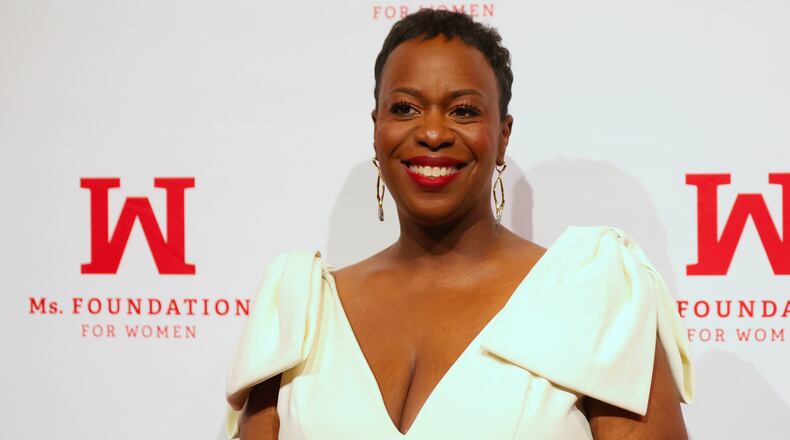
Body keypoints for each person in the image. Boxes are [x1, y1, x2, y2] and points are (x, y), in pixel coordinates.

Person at [223, 9, 694, 440]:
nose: (431, 133)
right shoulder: (300, 310)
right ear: (375, 128)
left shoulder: (595, 296)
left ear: (503, 135)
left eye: (463, 110)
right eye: (404, 108)